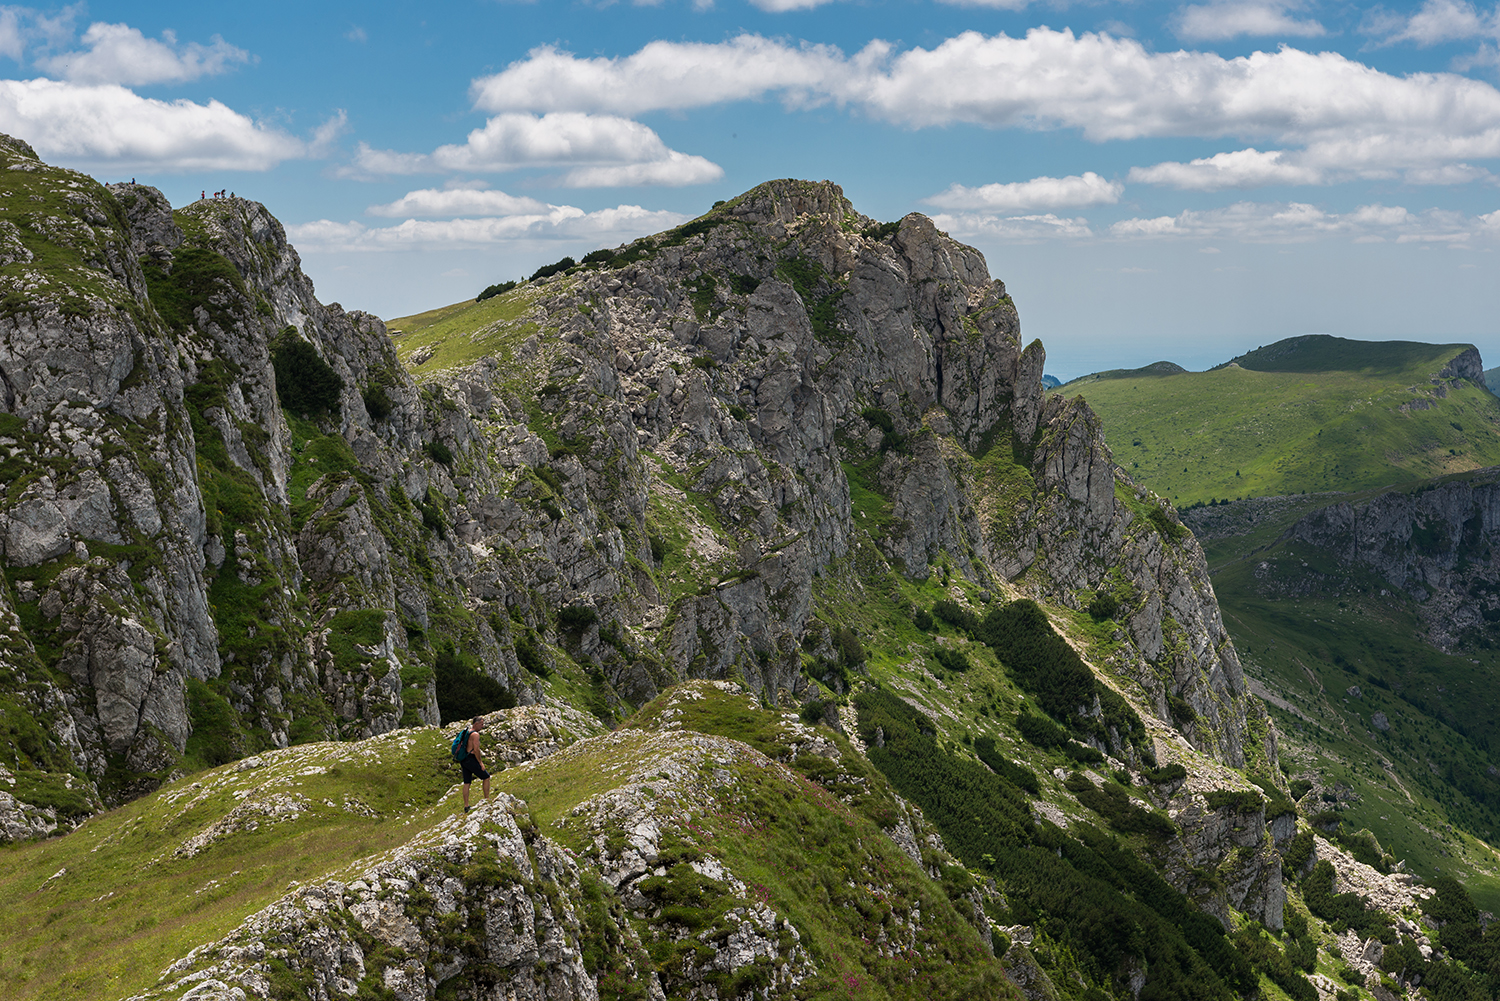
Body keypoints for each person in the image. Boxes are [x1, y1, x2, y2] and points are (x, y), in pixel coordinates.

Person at [460, 715, 492, 812]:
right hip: (471, 758)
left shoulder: (468, 732)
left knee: (467, 782)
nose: (482, 726)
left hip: (464, 759)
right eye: (481, 724)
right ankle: (487, 799)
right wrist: (480, 762)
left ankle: (466, 806)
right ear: (476, 724)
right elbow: (476, 749)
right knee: (486, 777)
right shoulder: (475, 735)